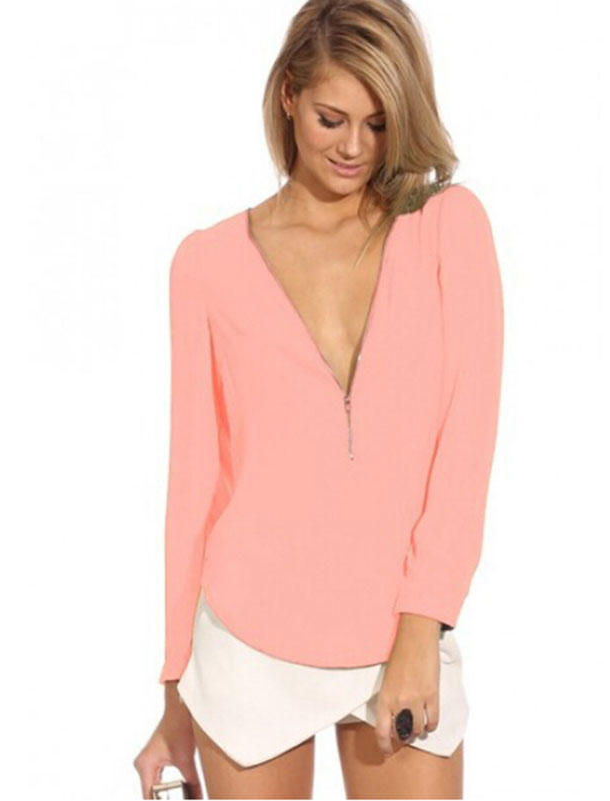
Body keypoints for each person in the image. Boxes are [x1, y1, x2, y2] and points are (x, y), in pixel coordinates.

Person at [133, 0, 504, 797]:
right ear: (289, 95)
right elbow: (194, 483)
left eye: (378, 124)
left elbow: (465, 447)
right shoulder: (206, 264)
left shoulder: (448, 229)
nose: (354, 147)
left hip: (399, 629)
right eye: (332, 118)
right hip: (246, 642)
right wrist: (173, 690)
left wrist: (421, 625)